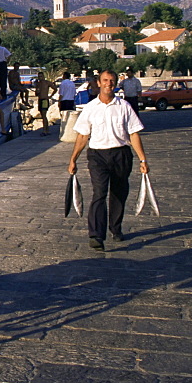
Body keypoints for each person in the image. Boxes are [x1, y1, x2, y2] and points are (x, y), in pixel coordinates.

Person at [68, 70, 148, 251]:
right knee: (99, 193)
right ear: (98, 82)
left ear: (116, 83)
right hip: (97, 156)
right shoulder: (90, 107)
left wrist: (143, 160)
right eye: (105, 80)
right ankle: (96, 235)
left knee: (119, 193)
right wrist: (73, 159)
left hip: (121, 154)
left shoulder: (124, 106)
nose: (108, 84)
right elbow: (82, 136)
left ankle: (115, 228)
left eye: (112, 81)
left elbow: (134, 134)